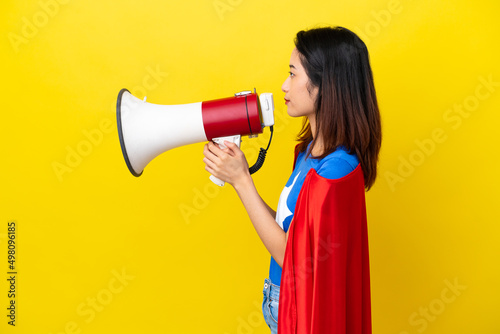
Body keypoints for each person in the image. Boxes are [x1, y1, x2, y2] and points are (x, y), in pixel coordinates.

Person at [203, 26, 381, 334]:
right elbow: (293, 234)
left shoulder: (334, 172)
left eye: (293, 74)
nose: (284, 85)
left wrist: (243, 181)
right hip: (282, 298)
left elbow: (294, 258)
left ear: (326, 84)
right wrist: (237, 179)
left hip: (299, 305)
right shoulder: (310, 153)